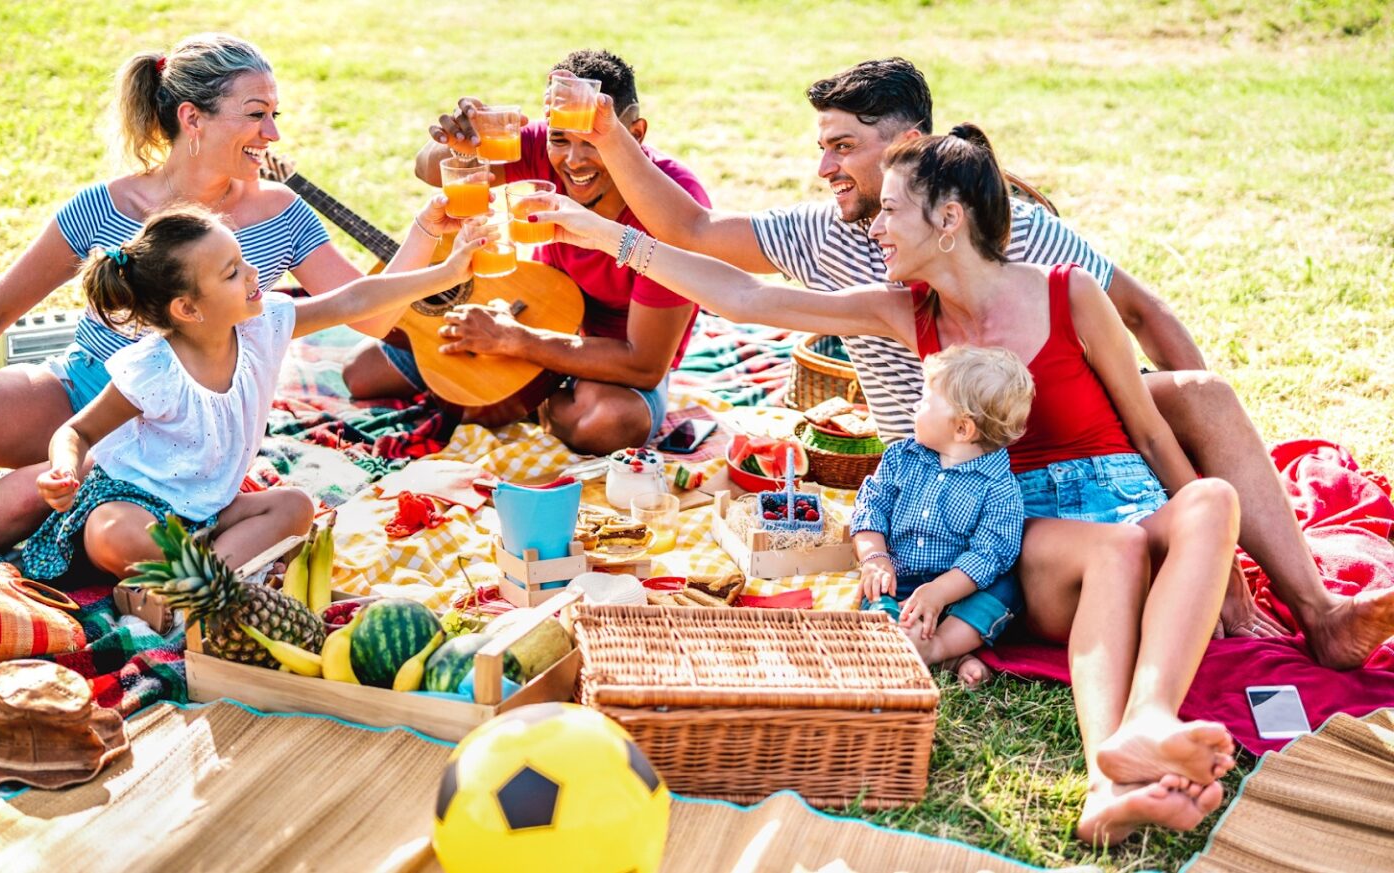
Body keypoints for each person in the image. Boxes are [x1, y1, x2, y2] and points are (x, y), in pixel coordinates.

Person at [546, 59, 1394, 669]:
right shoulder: (841, 247)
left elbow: (1141, 316)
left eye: (843, 146)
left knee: (1201, 397)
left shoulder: (1011, 234)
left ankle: (1315, 608)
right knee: (1120, 507)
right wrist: (608, 189)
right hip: (962, 455)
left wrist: (1207, 492)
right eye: (823, 147)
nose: (824, 168)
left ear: (914, 155)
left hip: (1066, 424)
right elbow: (716, 263)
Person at [529, 124, 1244, 844]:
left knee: (1213, 500)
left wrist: (1220, 561)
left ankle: (1147, 723)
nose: (875, 227)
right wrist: (609, 237)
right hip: (1054, 548)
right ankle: (1107, 782)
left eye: (892, 209)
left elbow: (1151, 433)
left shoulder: (1070, 291)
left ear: (949, 218)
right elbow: (744, 297)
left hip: (1133, 504)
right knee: (1119, 547)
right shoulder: (903, 312)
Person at [0, 34, 389, 562]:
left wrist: (427, 229)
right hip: (86, 387)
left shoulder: (282, 214)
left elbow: (373, 317)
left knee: (26, 493)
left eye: (274, 114)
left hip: (178, 435)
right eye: (256, 114)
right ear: (192, 117)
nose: (272, 134)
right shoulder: (104, 205)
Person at [22, 200, 481, 579]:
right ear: (187, 309)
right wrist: (63, 469)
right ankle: (215, 579)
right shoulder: (154, 370)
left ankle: (188, 589)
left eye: (243, 260)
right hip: (135, 505)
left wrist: (447, 274)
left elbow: (353, 299)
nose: (252, 272)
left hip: (209, 512)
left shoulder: (264, 326)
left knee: (295, 507)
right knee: (112, 534)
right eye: (231, 273)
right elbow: (77, 433)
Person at [341, 49, 707, 456]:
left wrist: (513, 340)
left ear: (634, 134)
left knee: (610, 423)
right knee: (361, 374)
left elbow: (645, 364)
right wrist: (460, 147)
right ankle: (505, 392)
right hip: (534, 307)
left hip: (609, 359)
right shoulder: (538, 145)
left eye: (592, 141)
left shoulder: (673, 207)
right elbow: (428, 170)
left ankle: (518, 400)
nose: (573, 161)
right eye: (560, 139)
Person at [851, 345, 1034, 689]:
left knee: (1006, 589)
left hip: (962, 588)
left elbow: (989, 554)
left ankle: (938, 647)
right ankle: (922, 643)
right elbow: (871, 507)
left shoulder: (999, 487)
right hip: (901, 578)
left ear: (963, 429)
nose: (914, 407)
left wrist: (940, 591)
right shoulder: (900, 457)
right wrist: (875, 557)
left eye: (924, 401)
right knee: (877, 591)